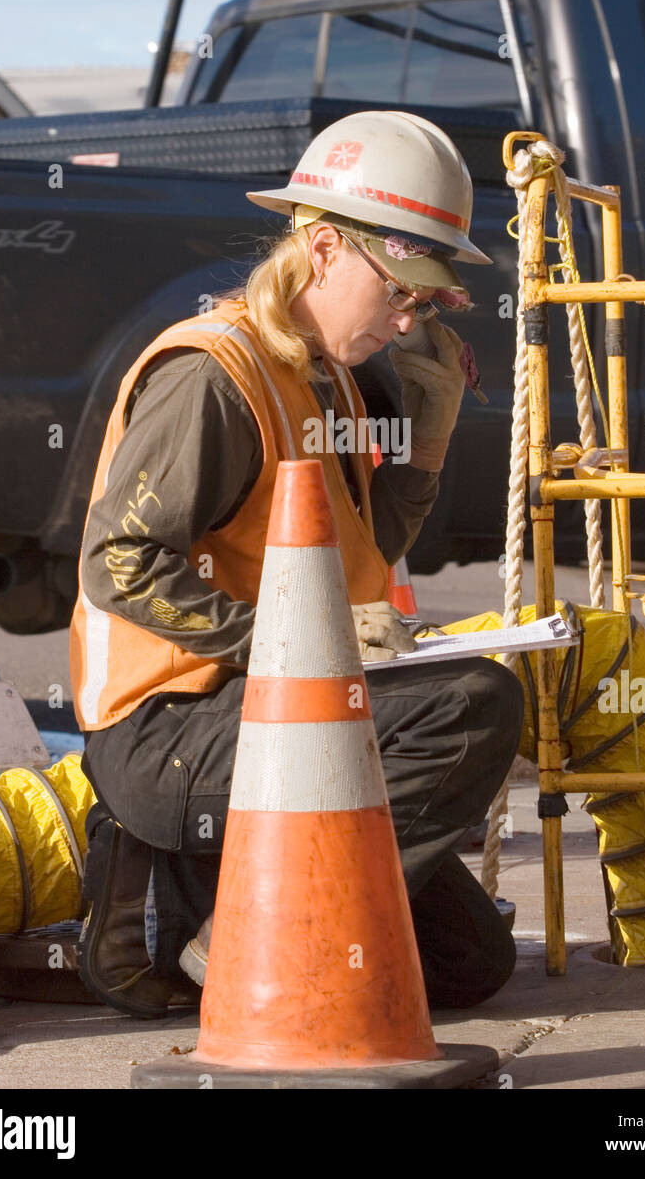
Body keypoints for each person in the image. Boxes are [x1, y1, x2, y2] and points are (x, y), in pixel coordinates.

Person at [70, 109, 524, 1018]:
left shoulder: (324, 378)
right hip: (170, 731)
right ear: (321, 249)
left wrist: (428, 436)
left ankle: (227, 896)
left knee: (473, 965)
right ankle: (249, 935)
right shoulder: (214, 375)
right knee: (475, 703)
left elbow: (360, 556)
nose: (409, 319)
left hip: (270, 712)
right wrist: (296, 640)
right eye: (400, 291)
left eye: (428, 303)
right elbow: (117, 564)